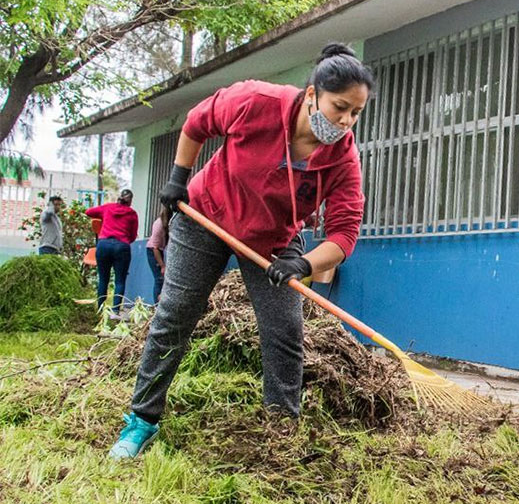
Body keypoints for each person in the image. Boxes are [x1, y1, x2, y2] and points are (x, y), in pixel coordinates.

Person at [108, 43, 372, 459]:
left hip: (272, 240)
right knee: (176, 313)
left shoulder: (343, 159)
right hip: (207, 216)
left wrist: (302, 263)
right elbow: (197, 122)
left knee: (285, 330)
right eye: (340, 107)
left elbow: (344, 235)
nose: (345, 121)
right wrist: (179, 178)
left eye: (355, 112)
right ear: (311, 94)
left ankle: (281, 430)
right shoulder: (256, 101)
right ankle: (141, 422)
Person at [87, 190, 139, 314]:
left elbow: (89, 212)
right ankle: (115, 310)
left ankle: (100, 309)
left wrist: (102, 217)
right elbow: (132, 235)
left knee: (103, 279)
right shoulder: (132, 214)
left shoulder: (108, 208)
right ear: (130, 201)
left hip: (104, 245)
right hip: (122, 247)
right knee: (120, 280)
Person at [146, 207, 170, 303]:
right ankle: (156, 306)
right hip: (153, 251)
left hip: (159, 250)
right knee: (159, 279)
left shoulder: (168, 224)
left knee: (163, 279)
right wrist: (162, 265)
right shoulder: (159, 224)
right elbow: (155, 247)